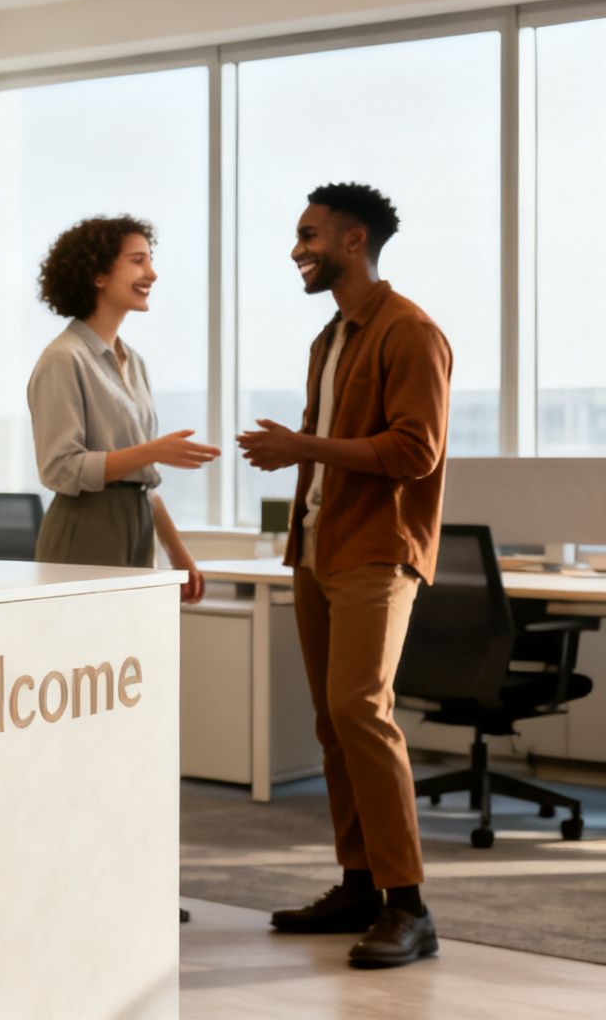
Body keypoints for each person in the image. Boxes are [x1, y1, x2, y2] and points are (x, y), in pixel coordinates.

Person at [237, 182, 451, 970]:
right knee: (334, 725)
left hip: (375, 550)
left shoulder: (410, 331)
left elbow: (414, 451)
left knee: (361, 710)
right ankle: (359, 884)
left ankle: (410, 906)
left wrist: (304, 448)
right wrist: (305, 465)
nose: (298, 249)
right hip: (319, 548)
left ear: (353, 241)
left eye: (309, 235)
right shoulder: (330, 339)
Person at [26, 215, 217, 603]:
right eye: (138, 260)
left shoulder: (135, 362)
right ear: (98, 274)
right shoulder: (64, 359)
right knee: (83, 657)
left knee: (129, 658)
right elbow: (59, 469)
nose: (152, 273)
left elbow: (141, 477)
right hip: (85, 528)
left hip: (137, 524)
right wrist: (155, 450)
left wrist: (177, 551)